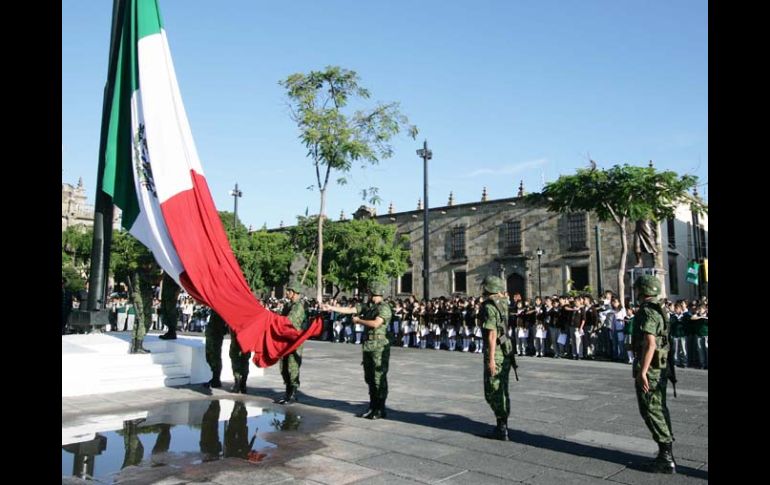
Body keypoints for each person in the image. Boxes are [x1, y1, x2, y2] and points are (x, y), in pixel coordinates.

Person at [322, 281, 392, 420]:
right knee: (369, 377)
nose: (368, 294)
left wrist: (359, 321)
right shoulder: (368, 306)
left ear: (374, 292)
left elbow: (376, 323)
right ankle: (373, 406)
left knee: (378, 378)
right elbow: (351, 310)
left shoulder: (384, 307)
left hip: (379, 345)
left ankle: (380, 408)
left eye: (369, 292)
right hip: (368, 345)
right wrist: (331, 307)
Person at [631, 275, 676, 473]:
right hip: (660, 366)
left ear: (643, 290)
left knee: (651, 410)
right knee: (659, 408)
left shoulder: (647, 311)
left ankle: (666, 458)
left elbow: (650, 344)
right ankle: (666, 453)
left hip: (651, 369)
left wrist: (642, 372)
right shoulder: (660, 308)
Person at [479, 275, 514, 441]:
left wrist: (491, 359)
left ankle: (501, 427)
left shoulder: (489, 306)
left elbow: (492, 335)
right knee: (503, 387)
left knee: (492, 390)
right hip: (506, 349)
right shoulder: (504, 302)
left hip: (497, 352)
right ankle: (503, 424)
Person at [276, 281, 307, 405]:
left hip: (295, 341)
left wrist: (277, 319)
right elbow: (280, 317)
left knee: (292, 366)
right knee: (283, 366)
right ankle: (288, 392)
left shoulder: (298, 307)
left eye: (289, 291)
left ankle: (293, 393)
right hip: (286, 340)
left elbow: (289, 321)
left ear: (295, 293)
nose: (287, 292)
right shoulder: (288, 305)